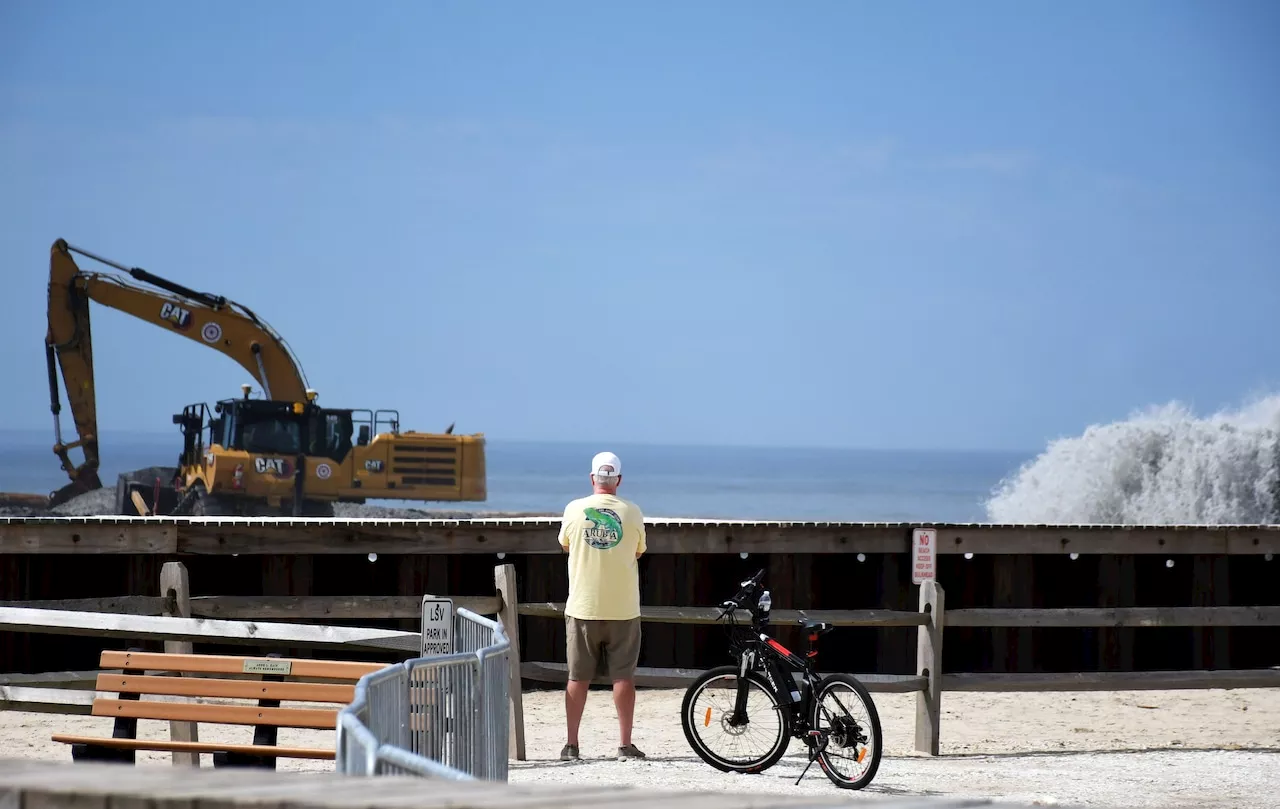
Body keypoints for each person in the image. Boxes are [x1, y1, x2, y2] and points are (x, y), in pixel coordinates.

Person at [557, 450, 647, 761]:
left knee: (577, 677)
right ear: (618, 480)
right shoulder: (632, 512)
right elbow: (638, 552)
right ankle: (624, 744)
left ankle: (571, 745)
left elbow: (565, 545)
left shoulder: (574, 509)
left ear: (592, 478)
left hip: (583, 606)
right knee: (623, 677)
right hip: (622, 608)